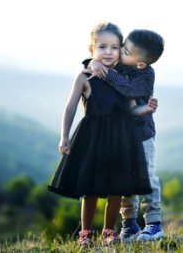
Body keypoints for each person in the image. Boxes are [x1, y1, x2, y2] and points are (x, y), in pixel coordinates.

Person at [48, 22, 156, 247]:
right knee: (90, 189)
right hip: (93, 139)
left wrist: (146, 109)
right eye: (102, 47)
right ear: (91, 50)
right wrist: (64, 136)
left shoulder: (122, 78)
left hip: (120, 140)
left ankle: (109, 232)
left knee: (117, 188)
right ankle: (85, 234)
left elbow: (132, 108)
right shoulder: (84, 76)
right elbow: (70, 107)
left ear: (122, 50)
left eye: (115, 47)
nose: (108, 52)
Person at [84, 29, 165, 241]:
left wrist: (106, 71)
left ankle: (154, 223)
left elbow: (128, 90)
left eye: (125, 50)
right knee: (123, 180)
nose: (119, 52)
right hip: (121, 136)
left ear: (140, 63)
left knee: (146, 177)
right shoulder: (122, 62)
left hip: (142, 135)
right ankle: (129, 223)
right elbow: (102, 58)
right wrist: (92, 62)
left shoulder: (145, 75)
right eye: (122, 46)